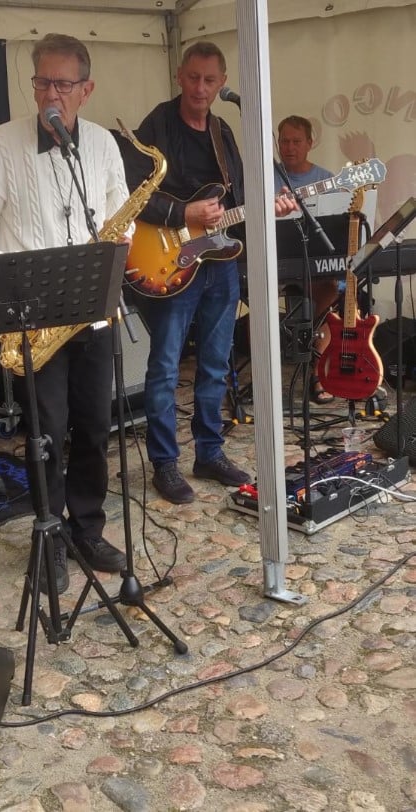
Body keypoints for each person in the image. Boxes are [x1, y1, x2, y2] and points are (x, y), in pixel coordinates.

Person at [0, 33, 130, 594]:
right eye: (42, 82)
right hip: (36, 323)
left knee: (95, 429)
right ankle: (50, 536)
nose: (51, 94)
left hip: (93, 316)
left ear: (86, 89)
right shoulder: (1, 143)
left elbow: (120, 212)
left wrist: (119, 240)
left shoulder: (103, 144)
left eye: (62, 84)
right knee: (46, 435)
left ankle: (88, 528)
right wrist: (12, 283)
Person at [126, 41, 298, 505]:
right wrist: (183, 212)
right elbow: (131, 192)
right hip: (168, 259)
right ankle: (165, 463)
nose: (200, 88)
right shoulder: (157, 125)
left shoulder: (223, 132)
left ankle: (209, 452)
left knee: (217, 362)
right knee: (165, 367)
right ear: (179, 76)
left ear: (223, 83)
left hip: (219, 263)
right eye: (193, 78)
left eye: (209, 80)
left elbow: (237, 200)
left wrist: (268, 210)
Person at [275, 115, 336, 404]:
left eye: (296, 141)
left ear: (310, 143)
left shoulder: (326, 179)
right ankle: (264, 379)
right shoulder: (265, 176)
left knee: (331, 289)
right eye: (284, 141)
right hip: (273, 263)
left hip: (314, 266)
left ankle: (317, 373)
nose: (289, 147)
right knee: (256, 298)